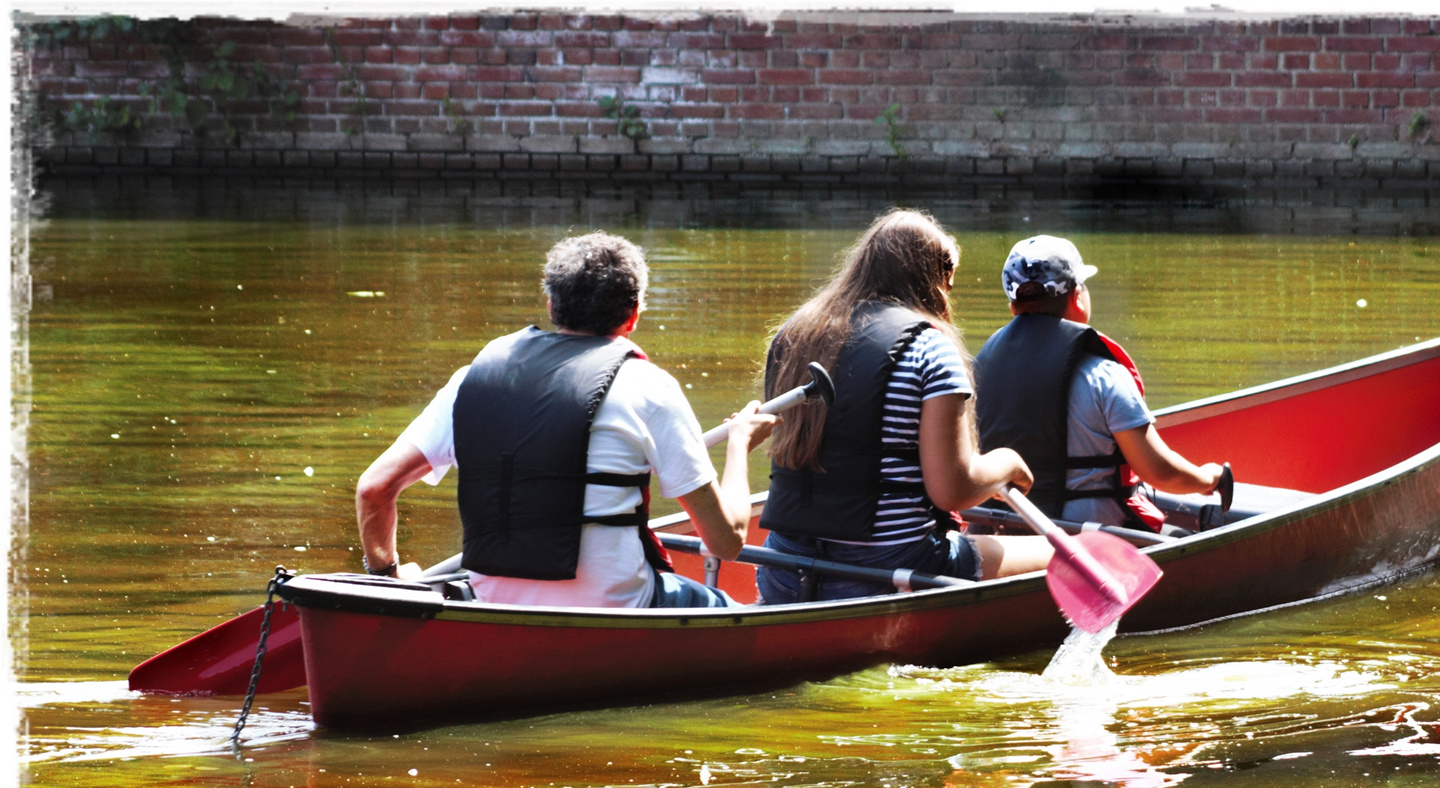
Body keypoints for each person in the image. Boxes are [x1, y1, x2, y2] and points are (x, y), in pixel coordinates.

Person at [355, 231, 776, 608]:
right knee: (727, 607)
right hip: (615, 606)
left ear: (552, 304)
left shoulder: (472, 381)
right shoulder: (651, 388)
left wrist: (388, 578)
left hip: (493, 604)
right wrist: (739, 443)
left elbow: (374, 489)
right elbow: (726, 543)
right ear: (633, 316)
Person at [757, 209, 1052, 604]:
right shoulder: (929, 350)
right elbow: (952, 490)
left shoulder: (792, 336)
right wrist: (1009, 462)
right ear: (935, 281)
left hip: (781, 572)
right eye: (949, 286)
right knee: (1056, 553)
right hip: (889, 569)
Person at [972, 235, 1228, 533]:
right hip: (1086, 540)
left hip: (1005, 533)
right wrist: (1209, 478)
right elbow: (1160, 472)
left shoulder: (978, 372)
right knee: (1182, 535)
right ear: (1077, 297)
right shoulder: (1102, 375)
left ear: (1013, 308)